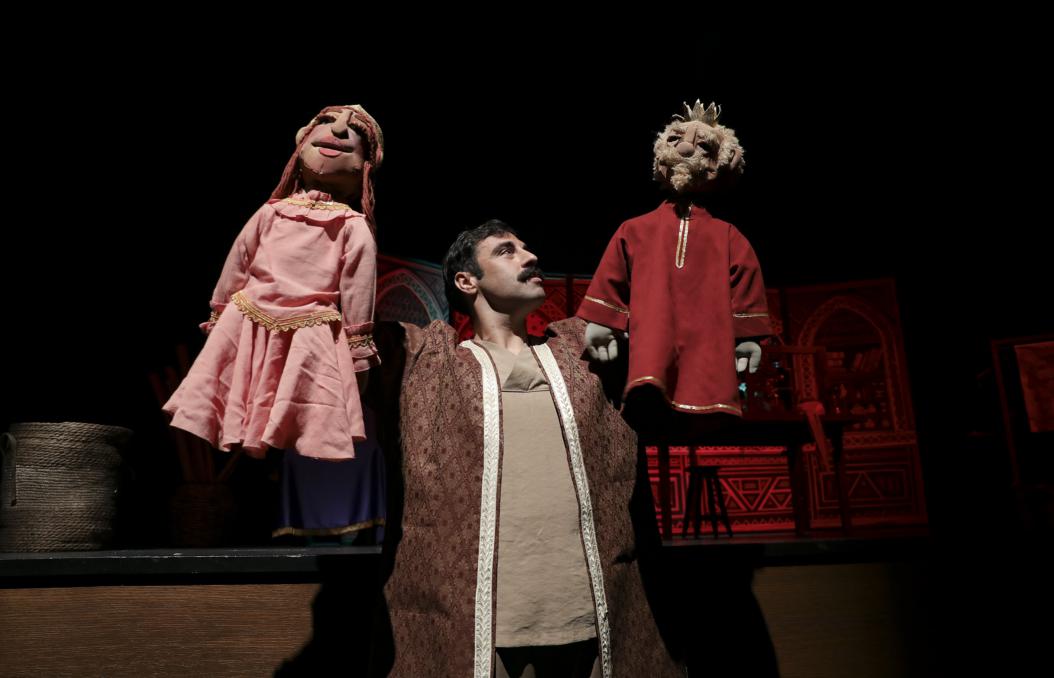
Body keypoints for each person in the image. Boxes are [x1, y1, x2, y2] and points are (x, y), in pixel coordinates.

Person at [371, 220, 682, 677]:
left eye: (526, 247)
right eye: (506, 251)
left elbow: (669, 308)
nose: (530, 256)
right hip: (478, 627)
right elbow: (340, 330)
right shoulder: (430, 362)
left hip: (592, 615)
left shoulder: (581, 352)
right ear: (466, 281)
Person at [163, 105, 383, 460]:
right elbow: (238, 262)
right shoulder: (272, 212)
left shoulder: (352, 227)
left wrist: (357, 350)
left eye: (352, 133)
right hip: (248, 320)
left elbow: (359, 289)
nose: (339, 129)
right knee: (241, 403)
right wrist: (221, 312)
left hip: (309, 333)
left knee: (297, 418)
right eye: (327, 122)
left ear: (365, 164)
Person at [577, 101, 772, 437]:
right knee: (651, 373)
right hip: (652, 340)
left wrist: (748, 336)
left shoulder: (727, 236)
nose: (684, 149)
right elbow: (612, 277)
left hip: (708, 339)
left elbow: (746, 284)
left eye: (702, 146)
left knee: (705, 378)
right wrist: (602, 321)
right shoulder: (634, 230)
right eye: (676, 141)